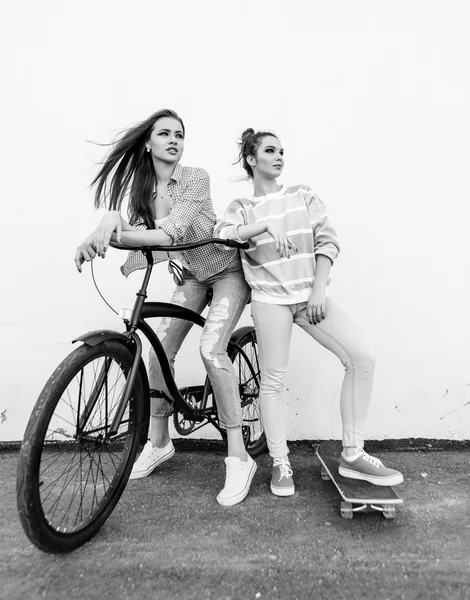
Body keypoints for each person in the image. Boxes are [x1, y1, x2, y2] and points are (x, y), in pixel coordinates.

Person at [74, 109, 256, 507]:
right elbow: (137, 230)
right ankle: (159, 441)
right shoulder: (142, 193)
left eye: (179, 134)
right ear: (148, 143)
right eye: (165, 133)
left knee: (211, 348)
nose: (174, 140)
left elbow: (169, 231)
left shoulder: (195, 178)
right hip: (191, 277)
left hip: (226, 271)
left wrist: (114, 224)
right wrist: (104, 225)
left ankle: (239, 455)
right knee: (159, 350)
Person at [215, 128, 403, 497]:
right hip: (269, 301)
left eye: (282, 150)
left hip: (309, 296)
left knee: (362, 358)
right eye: (270, 151)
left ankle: (353, 453)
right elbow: (226, 234)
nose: (279, 156)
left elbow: (327, 240)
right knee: (272, 381)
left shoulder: (302, 195)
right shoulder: (241, 207)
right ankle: (280, 462)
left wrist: (319, 288)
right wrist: (265, 225)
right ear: (252, 160)